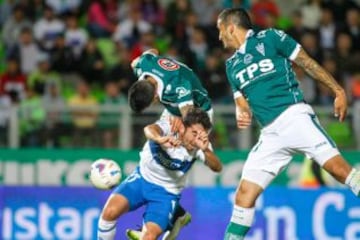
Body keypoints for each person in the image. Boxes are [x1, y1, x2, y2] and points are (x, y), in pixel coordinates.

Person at [216, 8, 359, 239]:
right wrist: (241, 111)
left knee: (341, 171)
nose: (219, 36)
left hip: (295, 117)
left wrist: (338, 89)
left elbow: (306, 62)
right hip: (270, 135)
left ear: (230, 27)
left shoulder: (271, 38)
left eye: (220, 29)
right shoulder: (231, 65)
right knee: (243, 195)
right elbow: (241, 102)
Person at [97, 108, 222, 240]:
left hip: (166, 195)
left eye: (200, 134)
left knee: (148, 237)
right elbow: (149, 129)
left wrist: (206, 150)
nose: (195, 139)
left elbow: (217, 167)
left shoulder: (200, 146)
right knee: (109, 213)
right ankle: (178, 215)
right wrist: (159, 138)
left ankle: (176, 215)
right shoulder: (170, 125)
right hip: (141, 179)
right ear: (183, 127)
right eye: (193, 133)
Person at [128, 48, 213, 238]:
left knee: (174, 162)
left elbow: (191, 117)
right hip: (175, 107)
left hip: (199, 112)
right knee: (151, 157)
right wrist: (173, 114)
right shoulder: (142, 66)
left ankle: (173, 218)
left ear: (156, 97)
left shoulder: (177, 86)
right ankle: (171, 217)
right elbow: (149, 53)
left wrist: (181, 123)